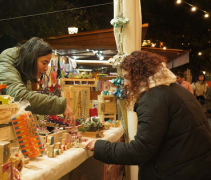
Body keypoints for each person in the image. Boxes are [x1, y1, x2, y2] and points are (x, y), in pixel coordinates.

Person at [86, 51, 211, 179]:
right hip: (196, 168)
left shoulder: (154, 98)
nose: (125, 83)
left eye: (126, 77)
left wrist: (99, 146)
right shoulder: (174, 90)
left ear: (139, 75)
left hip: (180, 172)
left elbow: (140, 150)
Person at [0, 37, 75, 125]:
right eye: (44, 63)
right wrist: (60, 105)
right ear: (32, 59)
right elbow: (22, 98)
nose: (46, 68)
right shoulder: (4, 71)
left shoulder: (22, 75)